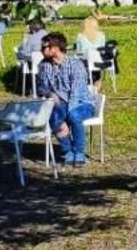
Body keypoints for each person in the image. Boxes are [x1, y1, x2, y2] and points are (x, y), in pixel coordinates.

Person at [35, 32, 96, 165]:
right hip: (60, 102)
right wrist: (49, 93)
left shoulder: (75, 64)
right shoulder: (44, 66)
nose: (41, 50)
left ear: (55, 48)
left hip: (82, 103)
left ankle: (79, 152)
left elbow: (76, 91)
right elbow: (40, 87)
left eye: (44, 47)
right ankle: (68, 151)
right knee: (54, 118)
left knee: (73, 115)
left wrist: (67, 112)